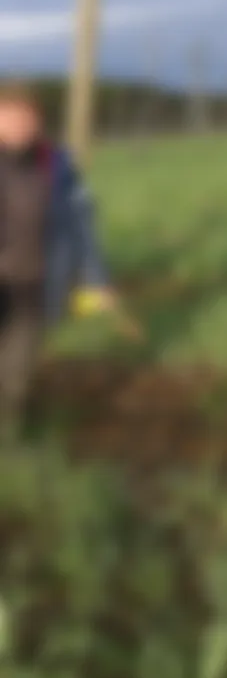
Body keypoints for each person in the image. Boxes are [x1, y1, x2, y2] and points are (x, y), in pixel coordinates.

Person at [0, 80, 117, 441]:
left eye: (26, 117)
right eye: (9, 116)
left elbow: (82, 225)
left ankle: (6, 428)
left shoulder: (59, 165)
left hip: (38, 283)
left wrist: (97, 279)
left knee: (17, 367)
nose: (18, 125)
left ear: (38, 121)